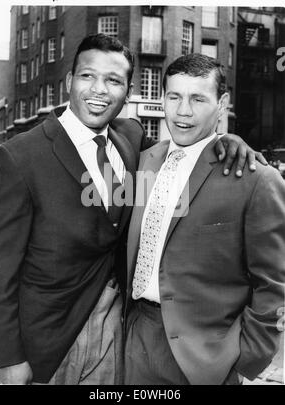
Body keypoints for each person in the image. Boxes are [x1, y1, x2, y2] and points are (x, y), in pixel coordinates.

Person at [0, 34, 264, 385]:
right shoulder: (20, 156)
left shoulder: (130, 138)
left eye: (113, 80)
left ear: (128, 91)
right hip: (48, 343)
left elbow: (184, 154)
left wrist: (226, 141)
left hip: (119, 333)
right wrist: (6, 356)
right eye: (88, 76)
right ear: (70, 81)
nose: (99, 90)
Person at [125, 53, 285, 385]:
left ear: (222, 103)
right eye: (174, 97)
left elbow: (274, 283)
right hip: (135, 340)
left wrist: (246, 358)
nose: (183, 111)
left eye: (198, 98)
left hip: (207, 360)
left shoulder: (256, 179)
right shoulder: (143, 162)